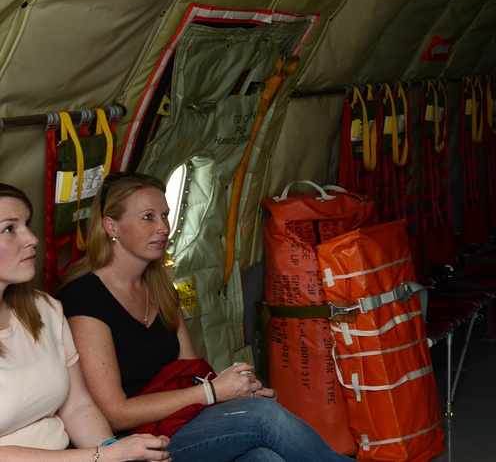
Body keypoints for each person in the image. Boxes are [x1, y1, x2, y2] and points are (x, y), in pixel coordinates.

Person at [55, 173, 354, 462]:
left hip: (177, 421)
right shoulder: (84, 296)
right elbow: (114, 412)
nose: (163, 227)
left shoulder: (160, 289)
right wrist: (212, 392)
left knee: (264, 457)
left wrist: (236, 391)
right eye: (148, 217)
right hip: (134, 441)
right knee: (264, 418)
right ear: (111, 227)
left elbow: (190, 371)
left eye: (165, 215)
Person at [0, 183, 170, 462]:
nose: (32, 238)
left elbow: (77, 406)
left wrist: (111, 449)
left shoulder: (44, 310)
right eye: (9, 229)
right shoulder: (83, 295)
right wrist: (104, 456)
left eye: (27, 224)